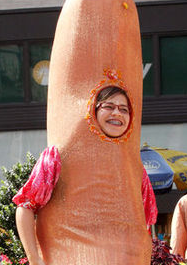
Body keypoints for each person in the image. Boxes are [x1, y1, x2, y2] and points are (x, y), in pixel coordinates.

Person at [14, 86, 154, 265]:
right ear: (94, 110)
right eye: (109, 106)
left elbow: (145, 224)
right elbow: (25, 206)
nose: (117, 113)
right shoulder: (59, 155)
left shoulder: (136, 168)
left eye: (124, 109)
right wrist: (34, 258)